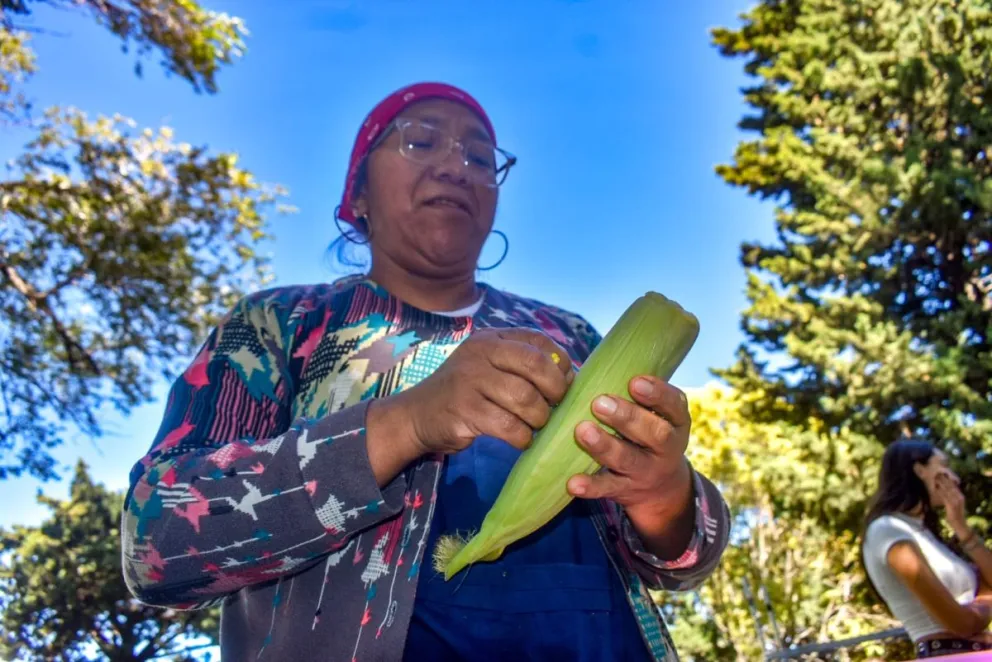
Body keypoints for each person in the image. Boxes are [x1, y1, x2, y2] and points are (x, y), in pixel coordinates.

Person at [120, 82, 730, 662]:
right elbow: (154, 544)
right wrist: (408, 422)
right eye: (421, 139)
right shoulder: (281, 324)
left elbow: (683, 559)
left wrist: (663, 494)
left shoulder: (567, 336)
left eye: (480, 156)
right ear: (358, 193)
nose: (454, 165)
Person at [862, 439, 992, 658]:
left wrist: (962, 528)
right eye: (944, 465)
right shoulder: (888, 530)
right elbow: (962, 624)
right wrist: (987, 599)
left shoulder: (924, 534)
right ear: (919, 470)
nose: (954, 479)